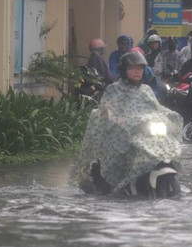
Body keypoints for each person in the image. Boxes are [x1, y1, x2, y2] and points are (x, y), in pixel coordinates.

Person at [73, 51, 183, 194]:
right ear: (124, 70)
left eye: (140, 68)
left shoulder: (146, 90)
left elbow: (156, 109)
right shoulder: (114, 89)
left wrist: (170, 115)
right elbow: (107, 110)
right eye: (132, 68)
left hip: (145, 132)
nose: (137, 72)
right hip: (122, 133)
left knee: (165, 143)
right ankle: (119, 179)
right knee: (125, 147)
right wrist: (117, 119)